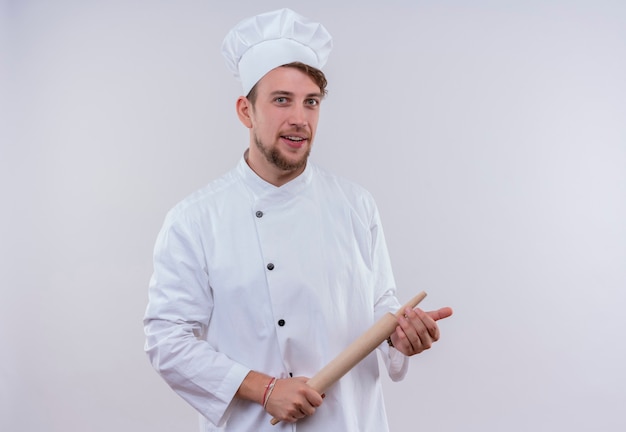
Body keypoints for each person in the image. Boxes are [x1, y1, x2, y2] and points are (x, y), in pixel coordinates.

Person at [144, 8, 453, 431]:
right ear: (245, 110)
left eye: (311, 102)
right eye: (281, 100)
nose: (299, 119)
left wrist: (399, 336)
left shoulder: (356, 205)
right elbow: (167, 340)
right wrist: (264, 389)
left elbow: (380, 305)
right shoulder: (195, 219)